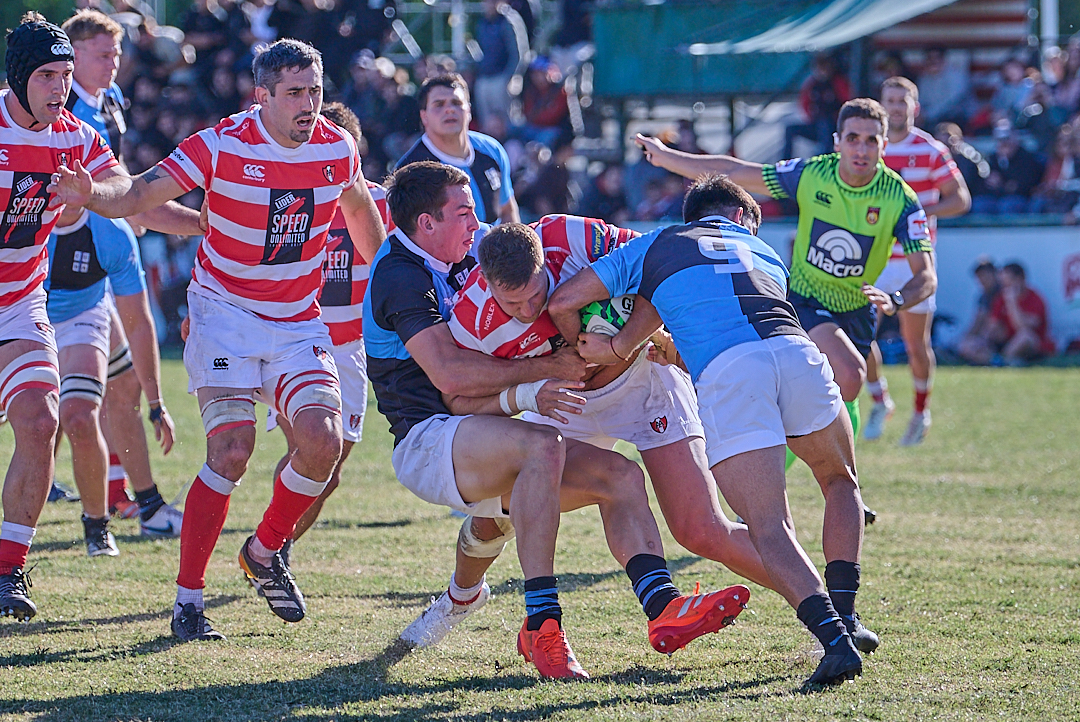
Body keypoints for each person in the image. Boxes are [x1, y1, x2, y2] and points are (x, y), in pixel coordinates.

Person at [49, 38, 388, 642]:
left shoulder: (337, 149)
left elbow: (359, 209)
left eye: (314, 92)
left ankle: (263, 551)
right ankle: (188, 601)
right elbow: (139, 194)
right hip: (223, 312)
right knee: (231, 452)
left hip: (296, 321)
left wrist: (390, 284)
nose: (308, 105)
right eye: (294, 94)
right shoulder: (220, 144)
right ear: (262, 97)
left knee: (323, 442)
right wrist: (90, 194)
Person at [366, 161, 746, 678]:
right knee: (540, 448)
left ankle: (662, 608)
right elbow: (451, 378)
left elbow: (647, 260)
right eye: (463, 212)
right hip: (429, 438)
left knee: (618, 478)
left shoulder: (480, 256)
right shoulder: (403, 277)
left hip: (489, 428)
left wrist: (643, 333)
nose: (475, 223)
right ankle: (542, 622)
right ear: (426, 224)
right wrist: (542, 375)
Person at [546, 174, 877, 687]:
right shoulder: (764, 251)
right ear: (742, 217)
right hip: (796, 352)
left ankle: (835, 643)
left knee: (768, 526)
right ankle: (848, 617)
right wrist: (632, 340)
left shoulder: (658, 243)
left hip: (730, 372)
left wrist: (602, 351)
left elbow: (565, 300)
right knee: (841, 482)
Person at [636, 98, 936, 523]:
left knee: (834, 392)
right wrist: (669, 158)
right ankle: (803, 486)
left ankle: (833, 481)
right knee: (848, 374)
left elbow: (928, 275)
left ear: (885, 145)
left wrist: (899, 299)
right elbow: (739, 172)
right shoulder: (814, 174)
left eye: (871, 140)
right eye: (853, 138)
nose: (861, 149)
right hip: (803, 301)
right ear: (838, 141)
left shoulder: (900, 199)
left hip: (858, 309)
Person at [0, 14, 119, 622]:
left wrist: (91, 194)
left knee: (41, 417)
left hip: (21, 302)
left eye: (66, 76)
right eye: (46, 75)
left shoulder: (73, 137)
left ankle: (7, 567)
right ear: (19, 78)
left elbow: (122, 185)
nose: (59, 89)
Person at [60, 8, 190, 531]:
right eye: (101, 53)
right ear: (73, 58)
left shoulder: (108, 101)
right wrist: (200, 222)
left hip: (99, 252)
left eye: (116, 53)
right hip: (65, 264)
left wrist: (128, 209)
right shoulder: (62, 110)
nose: (113, 62)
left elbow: (123, 187)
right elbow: (126, 197)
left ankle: (133, 500)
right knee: (79, 396)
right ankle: (131, 501)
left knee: (114, 387)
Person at [266, 102, 393, 562]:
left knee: (332, 470)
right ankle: (272, 551)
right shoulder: (289, 193)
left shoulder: (378, 204)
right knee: (305, 446)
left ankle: (277, 543)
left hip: (350, 347)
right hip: (294, 339)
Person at [863, 77, 971, 446]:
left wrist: (921, 210)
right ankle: (879, 400)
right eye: (889, 100)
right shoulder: (867, 149)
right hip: (871, 260)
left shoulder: (930, 149)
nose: (895, 106)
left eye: (901, 100)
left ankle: (920, 412)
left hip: (913, 262)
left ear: (915, 107)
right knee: (858, 337)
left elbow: (960, 199)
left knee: (915, 343)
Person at [395, 73, 519, 225]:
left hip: (492, 247)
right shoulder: (409, 171)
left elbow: (507, 211)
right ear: (424, 116)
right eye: (439, 104)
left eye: (456, 102)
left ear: (469, 111)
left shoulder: (492, 151)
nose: (449, 110)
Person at [975, 263, 1054, 365]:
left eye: (1009, 283)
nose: (1006, 288)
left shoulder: (1035, 298)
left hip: (1030, 346)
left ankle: (1001, 361)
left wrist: (1012, 303)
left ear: (1020, 279)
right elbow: (992, 326)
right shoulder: (1000, 299)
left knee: (1025, 336)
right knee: (968, 345)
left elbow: (1022, 328)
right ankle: (1001, 361)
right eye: (1003, 284)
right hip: (1004, 343)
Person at [956, 258, 1001, 364]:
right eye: (979, 277)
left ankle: (997, 360)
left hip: (1001, 338)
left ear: (994, 274)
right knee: (965, 346)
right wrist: (965, 337)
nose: (982, 281)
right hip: (986, 338)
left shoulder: (1004, 294)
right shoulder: (983, 297)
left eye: (985, 276)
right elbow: (977, 322)